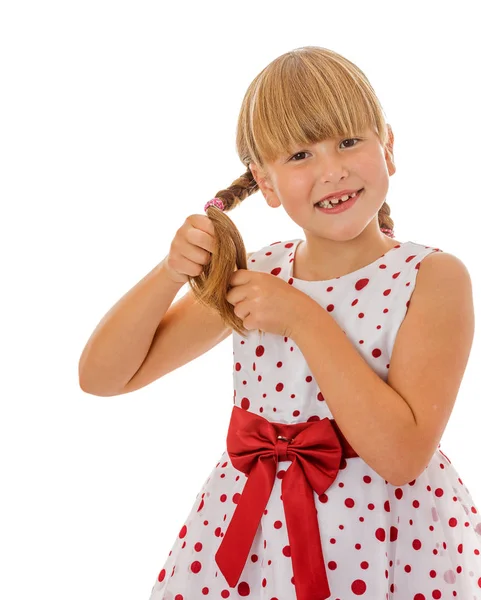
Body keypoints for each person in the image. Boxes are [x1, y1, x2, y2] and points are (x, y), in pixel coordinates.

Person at [78, 46, 480, 599]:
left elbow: (400, 456)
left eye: (347, 141)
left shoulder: (431, 278)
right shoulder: (260, 273)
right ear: (265, 183)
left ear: (387, 145)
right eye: (298, 155)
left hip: (387, 541)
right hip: (256, 538)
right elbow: (103, 377)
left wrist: (302, 319)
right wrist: (171, 271)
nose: (331, 169)